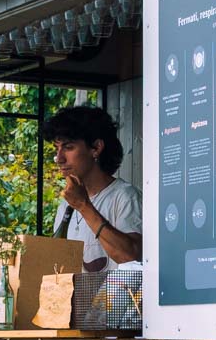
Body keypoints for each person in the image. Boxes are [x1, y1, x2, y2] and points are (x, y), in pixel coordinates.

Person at [42, 104, 143, 270]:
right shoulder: (65, 206)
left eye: (68, 147)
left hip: (115, 296)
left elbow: (130, 258)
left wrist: (84, 206)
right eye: (57, 148)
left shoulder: (125, 196)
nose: (59, 158)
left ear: (96, 148)